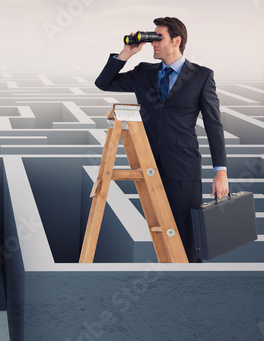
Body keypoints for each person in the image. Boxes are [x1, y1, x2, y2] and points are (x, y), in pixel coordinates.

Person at [94, 16, 228, 262]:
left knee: (186, 235)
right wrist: (126, 53)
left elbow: (213, 125)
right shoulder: (144, 72)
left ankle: (188, 287)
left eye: (159, 38)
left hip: (183, 166)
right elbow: (103, 83)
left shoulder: (201, 76)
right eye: (152, 37)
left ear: (177, 40)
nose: (153, 43)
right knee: (159, 231)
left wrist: (220, 171)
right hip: (147, 164)